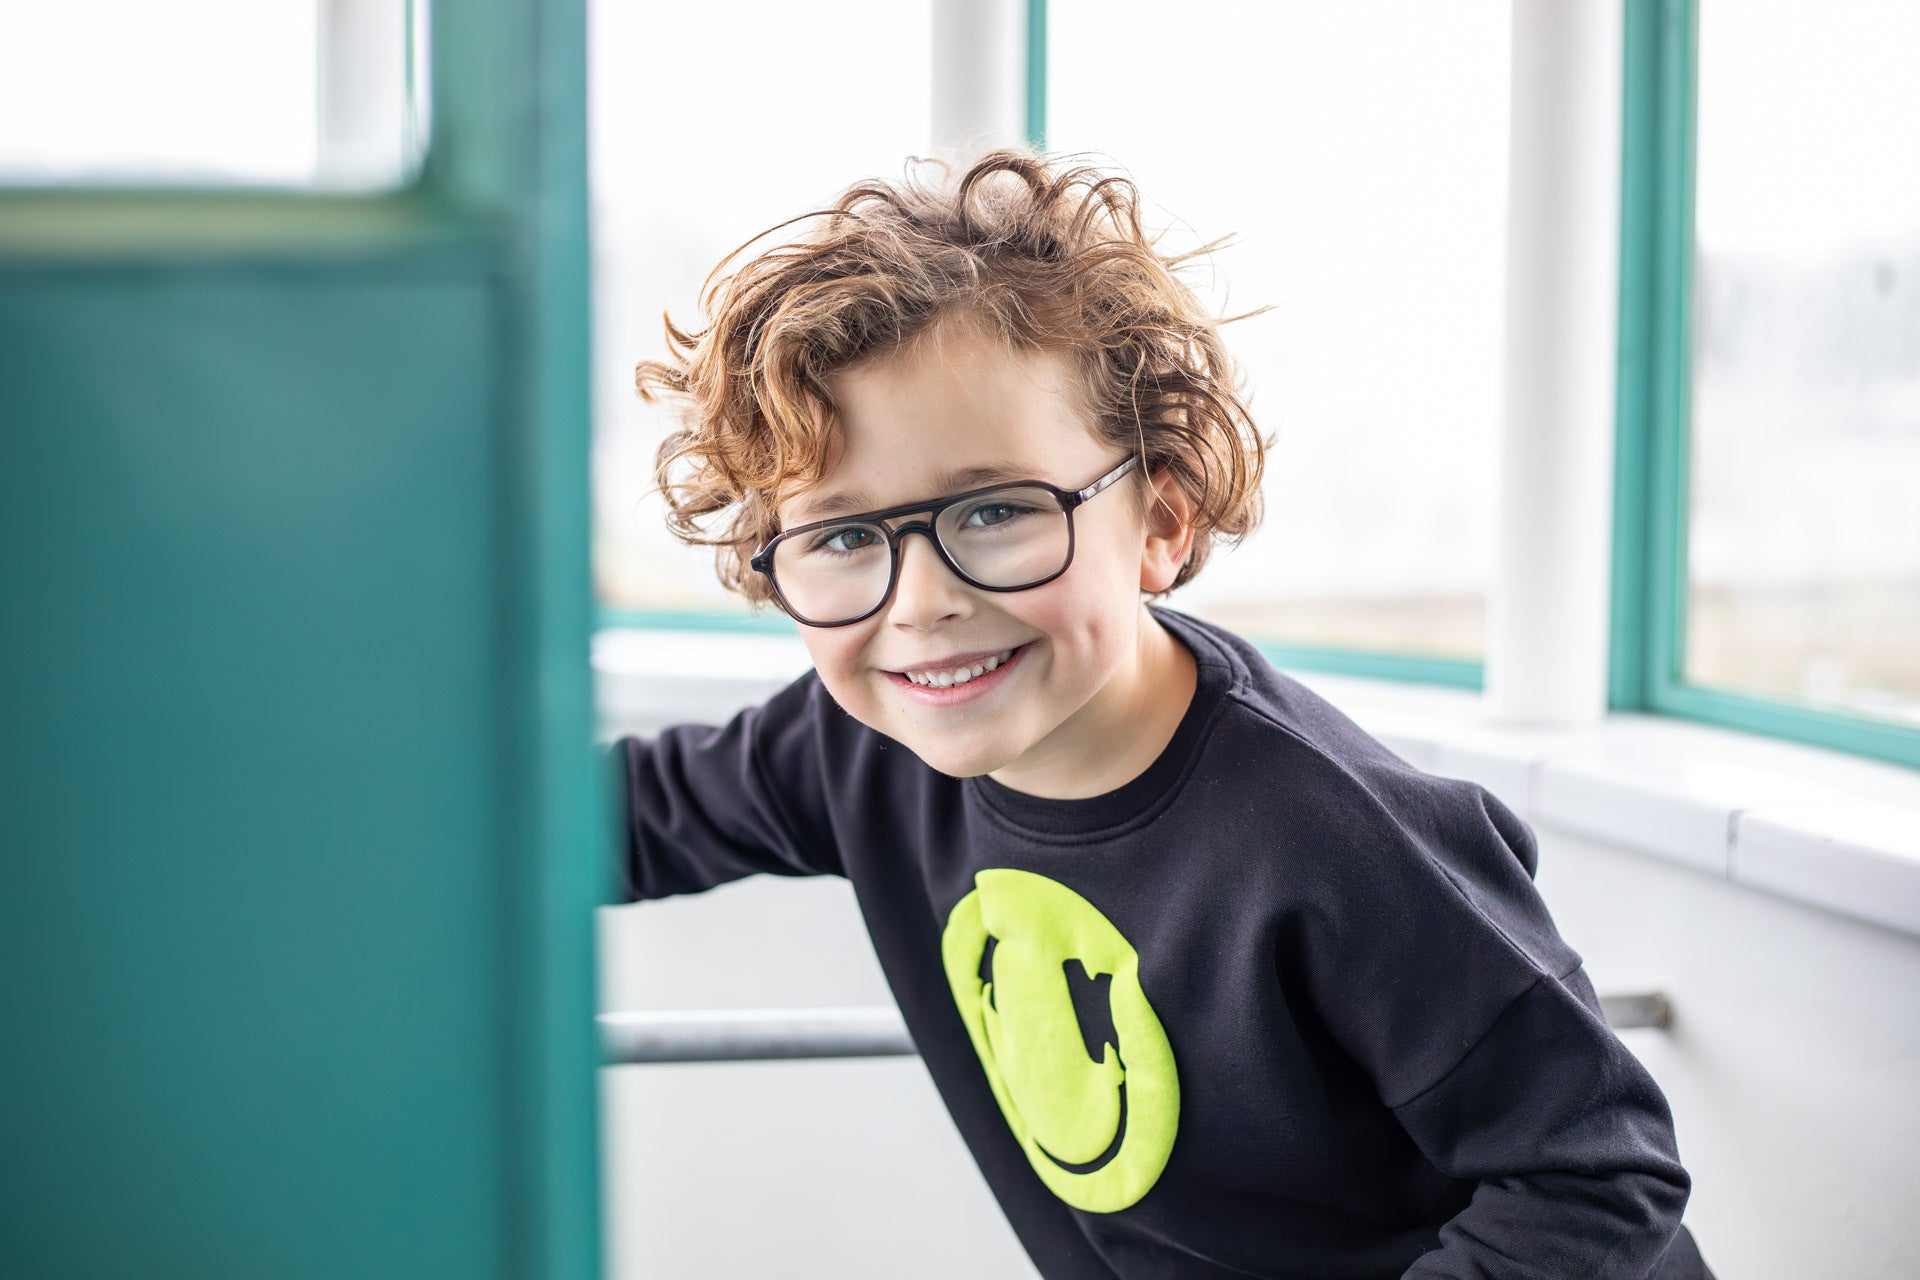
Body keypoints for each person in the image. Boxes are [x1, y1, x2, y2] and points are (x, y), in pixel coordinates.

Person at [610, 149, 1715, 1280]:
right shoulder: (852, 749)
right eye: (844, 536)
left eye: (994, 512)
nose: (922, 603)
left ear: (1162, 522)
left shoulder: (1335, 839)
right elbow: (584, 824)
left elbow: (1597, 1175)